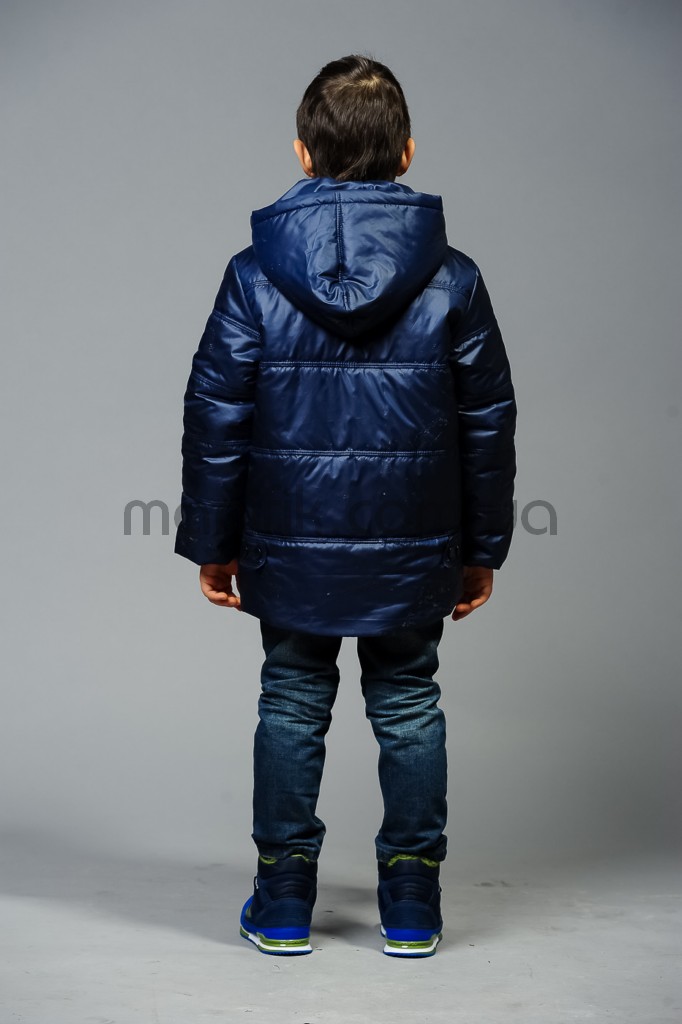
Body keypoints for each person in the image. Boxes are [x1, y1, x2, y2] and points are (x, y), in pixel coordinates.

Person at [174, 54, 517, 958]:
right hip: (416, 543)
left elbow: (216, 414)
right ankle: (412, 899)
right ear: (407, 154)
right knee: (408, 701)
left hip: (288, 542)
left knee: (292, 700)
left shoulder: (253, 275)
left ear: (302, 152)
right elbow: (487, 420)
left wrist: (213, 541)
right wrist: (481, 548)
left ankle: (284, 897)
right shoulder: (453, 278)